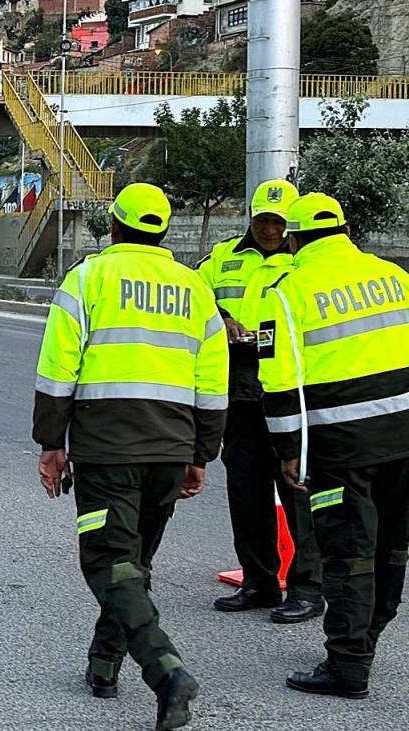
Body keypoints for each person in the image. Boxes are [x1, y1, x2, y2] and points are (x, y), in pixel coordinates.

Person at [32, 183, 228, 730]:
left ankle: (166, 671)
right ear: (162, 232)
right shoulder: (195, 289)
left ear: (113, 228)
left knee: (109, 562)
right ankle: (103, 666)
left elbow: (58, 368)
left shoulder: (89, 278)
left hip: (107, 448)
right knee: (132, 563)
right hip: (170, 448)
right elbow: (213, 382)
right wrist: (201, 453)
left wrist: (52, 444)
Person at [257, 193, 409, 700]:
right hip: (403, 438)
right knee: (392, 546)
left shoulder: (286, 292)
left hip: (340, 447)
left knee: (348, 553)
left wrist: (287, 450)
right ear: (345, 229)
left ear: (295, 239)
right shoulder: (394, 276)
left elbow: (277, 382)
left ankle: (347, 665)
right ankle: (366, 637)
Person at [198, 179, 324, 623]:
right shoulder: (223, 257)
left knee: (299, 492)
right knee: (246, 492)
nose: (269, 230)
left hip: (290, 392)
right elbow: (196, 296)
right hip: (240, 391)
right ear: (250, 219)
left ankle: (308, 588)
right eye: (262, 221)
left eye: (277, 222)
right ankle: (259, 581)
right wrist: (223, 317)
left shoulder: (305, 261)